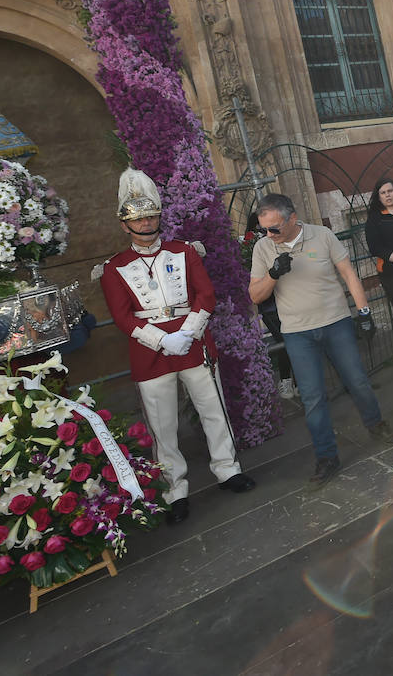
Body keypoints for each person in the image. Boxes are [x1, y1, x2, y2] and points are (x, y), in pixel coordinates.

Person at [100, 170, 254, 525]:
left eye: (152, 216)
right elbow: (123, 317)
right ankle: (175, 489)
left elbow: (206, 295)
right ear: (125, 225)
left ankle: (228, 469)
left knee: (213, 409)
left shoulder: (184, 251)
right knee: (162, 426)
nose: (146, 223)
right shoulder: (114, 268)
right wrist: (161, 339)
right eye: (138, 219)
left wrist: (187, 332)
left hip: (192, 341)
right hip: (150, 352)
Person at [248, 193, 393, 489]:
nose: (269, 235)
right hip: (297, 332)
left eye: (275, 228)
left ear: (292, 218)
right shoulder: (263, 248)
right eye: (264, 229)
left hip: (336, 323)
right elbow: (255, 296)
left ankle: (376, 423)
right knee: (313, 397)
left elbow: (349, 274)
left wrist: (364, 311)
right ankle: (327, 456)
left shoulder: (322, 235)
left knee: (357, 381)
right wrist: (273, 274)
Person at [364, 177, 393, 340]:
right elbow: (375, 247)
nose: (387, 195)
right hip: (392, 273)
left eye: (390, 191)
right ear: (378, 196)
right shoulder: (375, 219)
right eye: (383, 193)